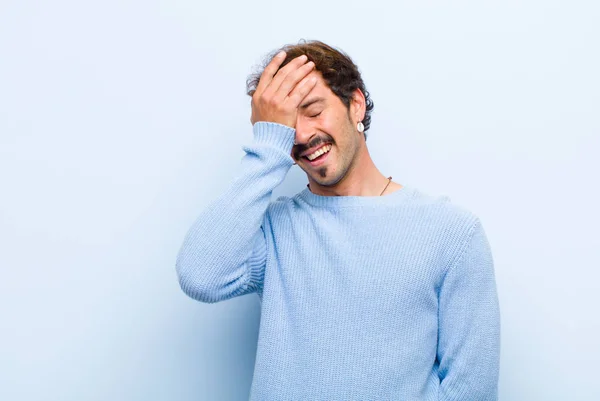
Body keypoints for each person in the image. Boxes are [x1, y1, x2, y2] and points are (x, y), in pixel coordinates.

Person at [175, 40, 500, 400]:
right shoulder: (275, 230)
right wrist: (268, 148)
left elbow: (471, 390)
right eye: (286, 123)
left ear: (355, 105)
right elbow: (200, 276)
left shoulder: (451, 233)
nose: (300, 135)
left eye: (313, 110)